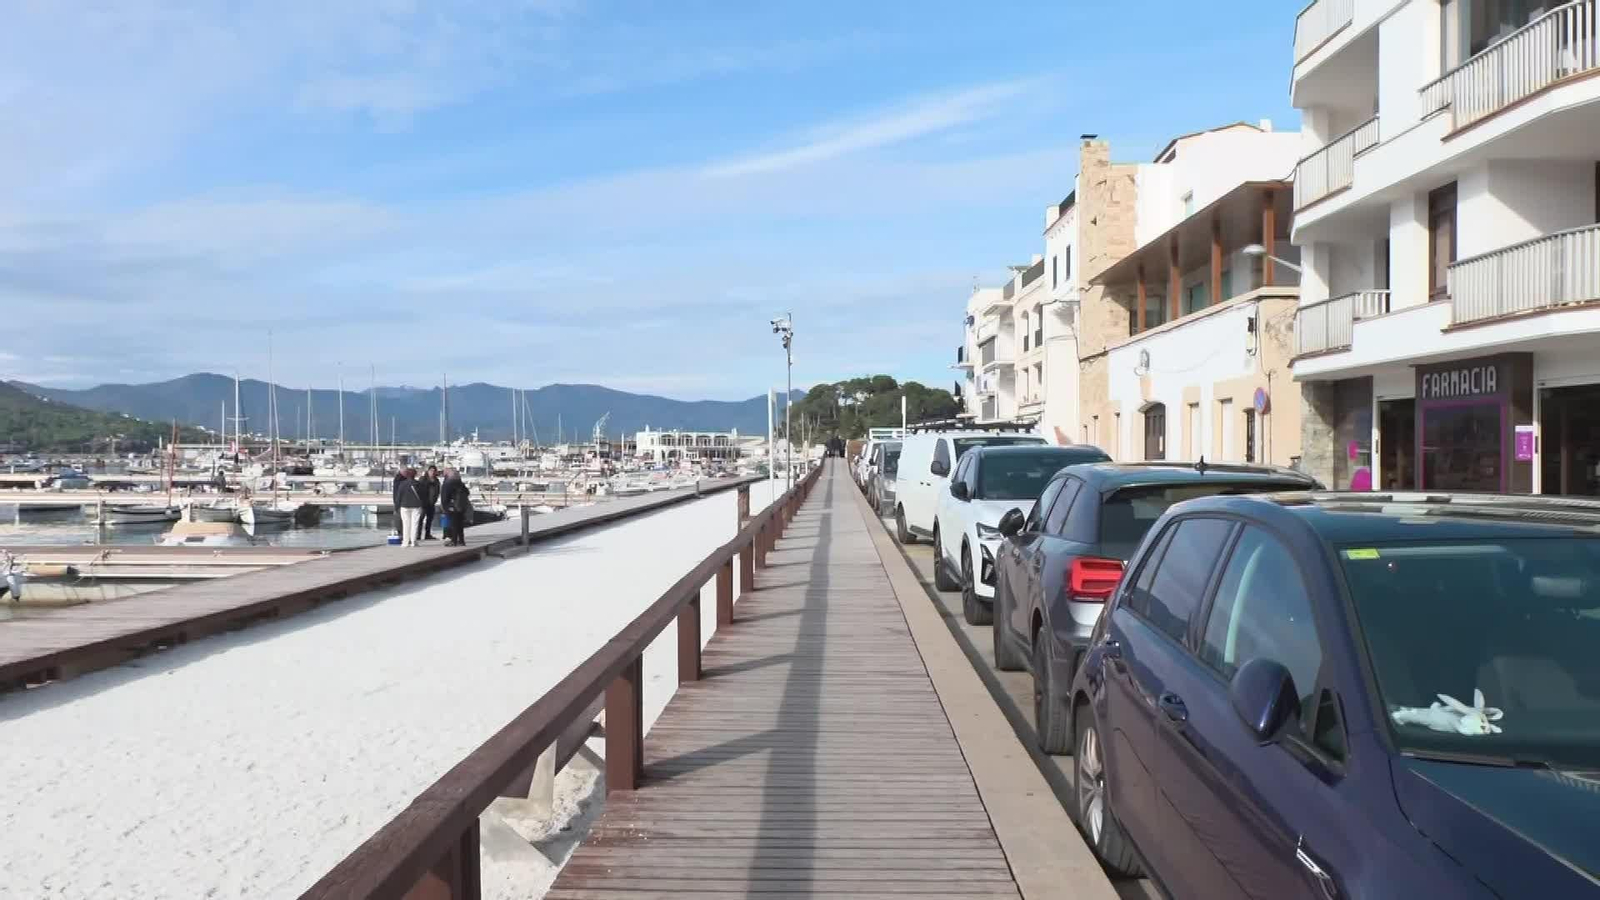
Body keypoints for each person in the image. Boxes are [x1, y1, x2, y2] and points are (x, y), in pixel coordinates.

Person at [394, 467, 425, 547]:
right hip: (416, 506)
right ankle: (413, 541)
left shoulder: (402, 484)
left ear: (407, 475)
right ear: (415, 475)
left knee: (406, 524)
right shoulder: (418, 484)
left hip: (404, 506)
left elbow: (399, 496)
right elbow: (423, 496)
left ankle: (405, 542)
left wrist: (397, 507)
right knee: (415, 523)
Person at [440, 467, 470, 546]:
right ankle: (461, 540)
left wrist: (445, 507)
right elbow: (467, 492)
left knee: (453, 524)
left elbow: (444, 497)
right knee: (460, 524)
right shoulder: (460, 484)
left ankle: (453, 541)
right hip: (461, 506)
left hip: (452, 506)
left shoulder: (447, 484)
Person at [418, 466, 441, 541]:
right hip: (423, 503)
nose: (432, 472)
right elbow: (420, 490)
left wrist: (435, 500)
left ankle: (427, 534)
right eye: (431, 471)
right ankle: (418, 535)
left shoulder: (436, 481)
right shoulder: (423, 479)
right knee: (420, 519)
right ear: (428, 471)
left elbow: (437, 491)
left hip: (432, 503)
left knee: (430, 520)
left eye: (434, 471)